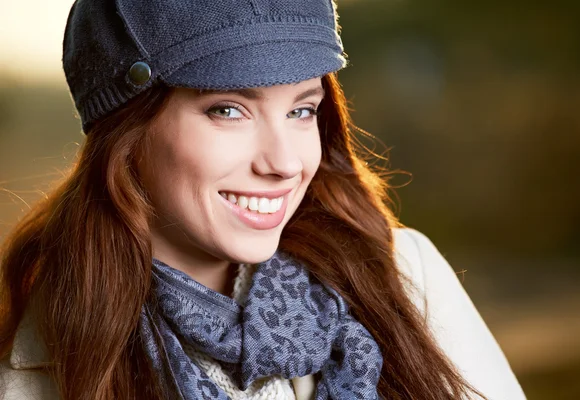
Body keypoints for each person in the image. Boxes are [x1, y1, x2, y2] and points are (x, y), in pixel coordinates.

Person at [0, 0, 526, 399]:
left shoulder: (403, 275)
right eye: (228, 110)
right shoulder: (35, 361)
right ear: (127, 136)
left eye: (302, 110)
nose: (284, 163)